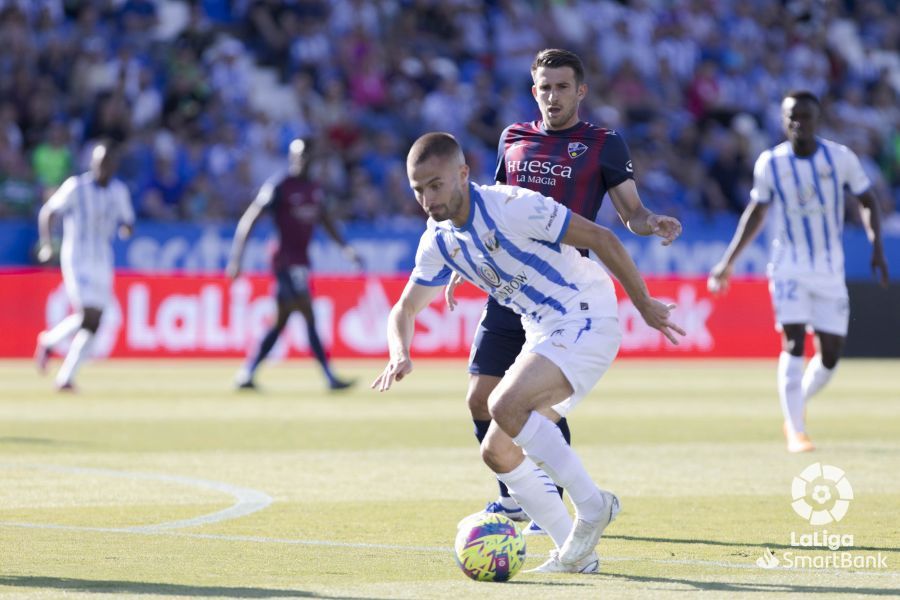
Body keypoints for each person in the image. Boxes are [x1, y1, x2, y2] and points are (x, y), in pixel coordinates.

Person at [373, 132, 685, 573]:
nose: (427, 199)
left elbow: (601, 238)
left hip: (585, 312)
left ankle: (593, 506)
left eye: (436, 185)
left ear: (462, 174)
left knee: (503, 404)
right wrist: (399, 352)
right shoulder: (438, 240)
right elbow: (405, 308)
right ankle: (575, 554)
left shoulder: (511, 205)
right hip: (542, 331)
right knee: (496, 452)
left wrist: (644, 303)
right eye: (418, 189)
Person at [446, 48, 682, 534]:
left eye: (562, 87)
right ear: (534, 91)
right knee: (479, 398)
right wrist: (464, 259)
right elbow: (489, 207)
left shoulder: (603, 144)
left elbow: (630, 214)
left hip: (560, 293)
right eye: (544, 88)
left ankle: (550, 498)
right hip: (509, 287)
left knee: (533, 401)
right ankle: (516, 497)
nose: (552, 96)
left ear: (581, 91)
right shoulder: (513, 138)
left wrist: (651, 221)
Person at [708, 90, 889, 453]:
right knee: (793, 342)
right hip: (788, 266)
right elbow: (756, 213)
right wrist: (728, 262)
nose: (799, 123)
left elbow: (867, 199)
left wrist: (876, 245)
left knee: (831, 355)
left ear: (817, 119)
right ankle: (796, 430)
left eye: (805, 116)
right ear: (783, 120)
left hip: (829, 268)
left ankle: (796, 403)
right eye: (792, 116)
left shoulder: (840, 158)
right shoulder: (770, 163)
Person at [226, 138, 361, 391]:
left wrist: (345, 248)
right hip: (285, 262)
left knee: (280, 322)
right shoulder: (280, 186)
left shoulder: (314, 189)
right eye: (299, 156)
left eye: (307, 156)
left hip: (301, 262)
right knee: (308, 314)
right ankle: (329, 377)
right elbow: (249, 220)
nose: (303, 161)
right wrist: (236, 259)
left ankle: (247, 374)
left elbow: (326, 221)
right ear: (292, 158)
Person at [34, 140, 135, 390]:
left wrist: (126, 229)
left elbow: (128, 221)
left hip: (103, 259)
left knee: (94, 321)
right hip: (77, 258)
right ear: (92, 163)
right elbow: (48, 212)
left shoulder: (119, 191)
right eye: (99, 163)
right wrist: (47, 244)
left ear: (114, 165)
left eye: (108, 163)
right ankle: (51, 347)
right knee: (89, 313)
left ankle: (63, 371)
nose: (103, 168)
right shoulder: (76, 187)